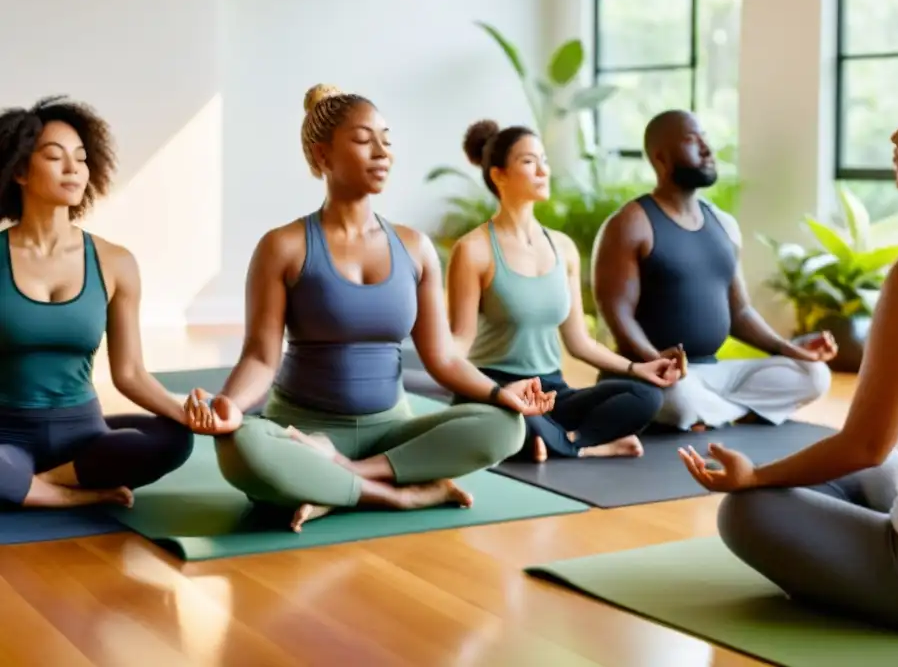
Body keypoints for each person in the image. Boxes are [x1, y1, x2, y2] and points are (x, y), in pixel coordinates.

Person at [680, 12, 898, 637]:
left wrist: (756, 477)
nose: (896, 134)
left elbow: (867, 441)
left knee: (747, 513)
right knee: (874, 479)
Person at [183, 85, 551, 533]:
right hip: (303, 435)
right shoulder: (283, 246)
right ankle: (399, 495)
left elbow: (445, 357)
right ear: (323, 156)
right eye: (363, 140)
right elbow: (261, 357)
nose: (382, 153)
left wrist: (499, 393)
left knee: (505, 427)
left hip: (392, 434)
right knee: (241, 447)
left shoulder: (415, 249)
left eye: (387, 140)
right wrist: (230, 406)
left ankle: (338, 482)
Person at [0, 96, 195, 511]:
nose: (73, 169)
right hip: (7, 440)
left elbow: (130, 374)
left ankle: (37, 486)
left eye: (82, 158)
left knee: (174, 439)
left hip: (85, 441)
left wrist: (189, 416)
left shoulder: (115, 262)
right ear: (19, 170)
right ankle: (63, 496)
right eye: (55, 157)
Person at [445, 120, 680, 463]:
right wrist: (495, 392)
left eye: (544, 160)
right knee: (518, 423)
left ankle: (566, 442)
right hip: (497, 391)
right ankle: (586, 445)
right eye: (528, 162)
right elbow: (459, 345)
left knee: (646, 397)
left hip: (551, 391)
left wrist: (636, 368)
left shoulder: (563, 248)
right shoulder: (474, 250)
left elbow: (579, 342)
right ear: (498, 175)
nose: (543, 170)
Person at [591, 109, 835, 432]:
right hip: (654, 375)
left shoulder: (724, 224)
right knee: (680, 400)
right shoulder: (631, 224)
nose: (707, 149)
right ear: (660, 159)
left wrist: (792, 348)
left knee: (814, 375)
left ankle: (715, 414)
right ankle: (727, 412)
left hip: (714, 373)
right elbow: (618, 314)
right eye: (693, 141)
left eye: (705, 139)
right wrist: (655, 362)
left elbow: (741, 312)